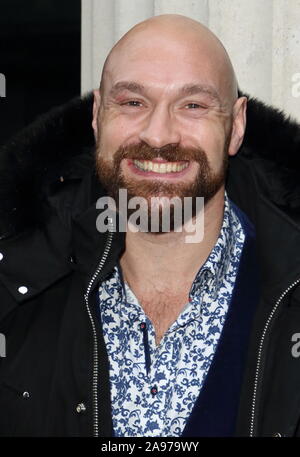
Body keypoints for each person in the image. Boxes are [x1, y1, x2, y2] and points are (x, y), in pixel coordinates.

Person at [0, 14, 300, 438]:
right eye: (133, 103)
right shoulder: (15, 281)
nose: (159, 136)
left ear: (236, 127)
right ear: (97, 116)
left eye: (192, 105)